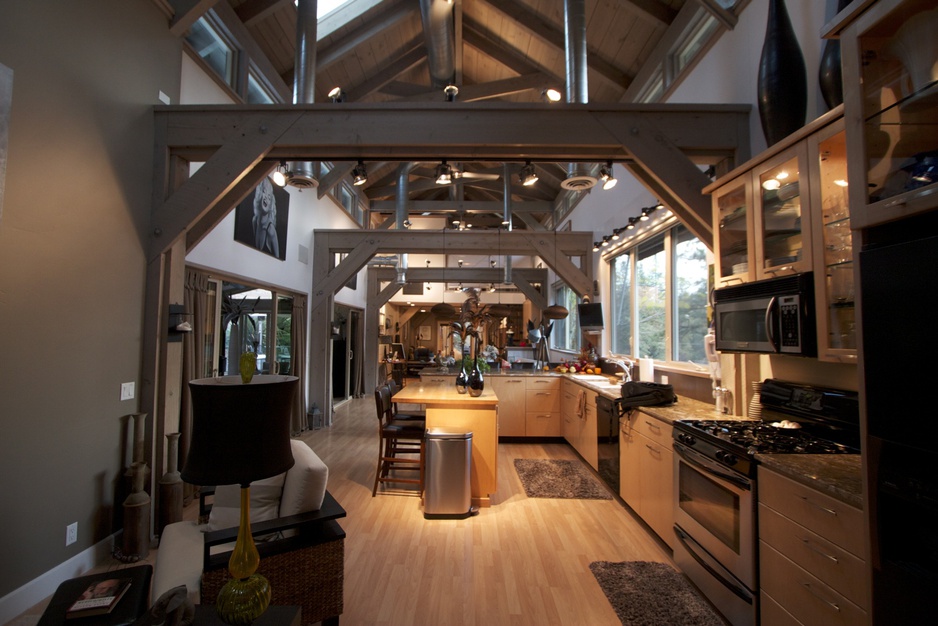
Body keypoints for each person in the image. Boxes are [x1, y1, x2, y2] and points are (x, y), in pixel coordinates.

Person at [252, 177, 279, 257]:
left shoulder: (271, 230)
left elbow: (277, 260)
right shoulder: (254, 221)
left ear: (271, 204)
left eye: (269, 197)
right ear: (259, 195)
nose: (266, 198)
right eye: (264, 192)